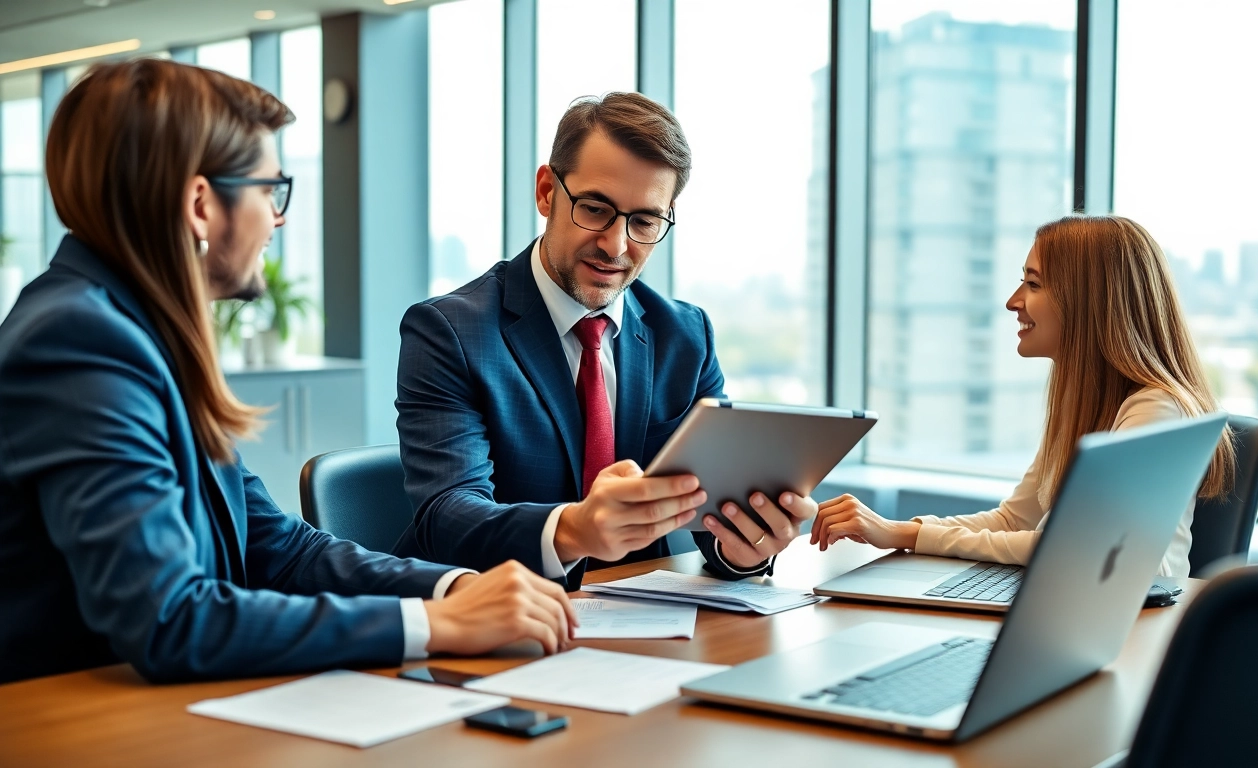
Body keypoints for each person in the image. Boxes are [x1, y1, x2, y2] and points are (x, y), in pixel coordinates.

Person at [0, 59, 576, 686]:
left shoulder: (141, 330)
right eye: (269, 190)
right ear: (201, 206)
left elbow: (278, 549)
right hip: (77, 717)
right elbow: (170, 619)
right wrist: (437, 626)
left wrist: (455, 589)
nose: (278, 218)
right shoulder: (81, 341)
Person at [394, 92, 817, 589]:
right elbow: (447, 516)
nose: (616, 245)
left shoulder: (686, 336)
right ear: (547, 192)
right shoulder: (449, 331)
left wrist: (743, 549)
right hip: (500, 610)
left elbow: (714, 516)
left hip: (644, 617)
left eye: (644, 222)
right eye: (595, 209)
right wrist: (575, 530)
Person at [811, 215, 1234, 578]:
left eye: (1033, 284)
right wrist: (895, 528)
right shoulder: (1083, 405)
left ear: (1087, 302)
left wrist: (905, 534)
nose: (1013, 302)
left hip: (1139, 629)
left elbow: (1068, 547)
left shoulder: (1157, 409)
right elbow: (1013, 520)